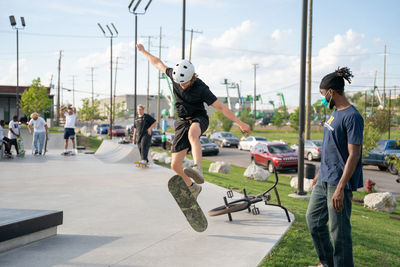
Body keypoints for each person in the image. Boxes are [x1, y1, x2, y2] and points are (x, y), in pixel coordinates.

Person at [137, 43, 251, 198]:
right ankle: (193, 187)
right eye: (179, 83)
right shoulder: (175, 76)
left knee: (193, 134)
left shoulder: (202, 88)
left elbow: (221, 108)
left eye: (185, 82)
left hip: (199, 118)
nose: (182, 85)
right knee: (175, 165)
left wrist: (240, 122)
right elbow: (158, 63)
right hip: (182, 122)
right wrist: (144, 51)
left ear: (192, 77)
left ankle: (198, 168)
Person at [306, 67, 364, 267]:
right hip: (324, 179)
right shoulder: (334, 115)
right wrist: (319, 174)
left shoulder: (352, 116)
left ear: (331, 92)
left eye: (323, 95)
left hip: (338, 183)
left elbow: (354, 154)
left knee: (339, 234)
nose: (322, 99)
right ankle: (327, 262)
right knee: (313, 221)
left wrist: (340, 188)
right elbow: (330, 148)